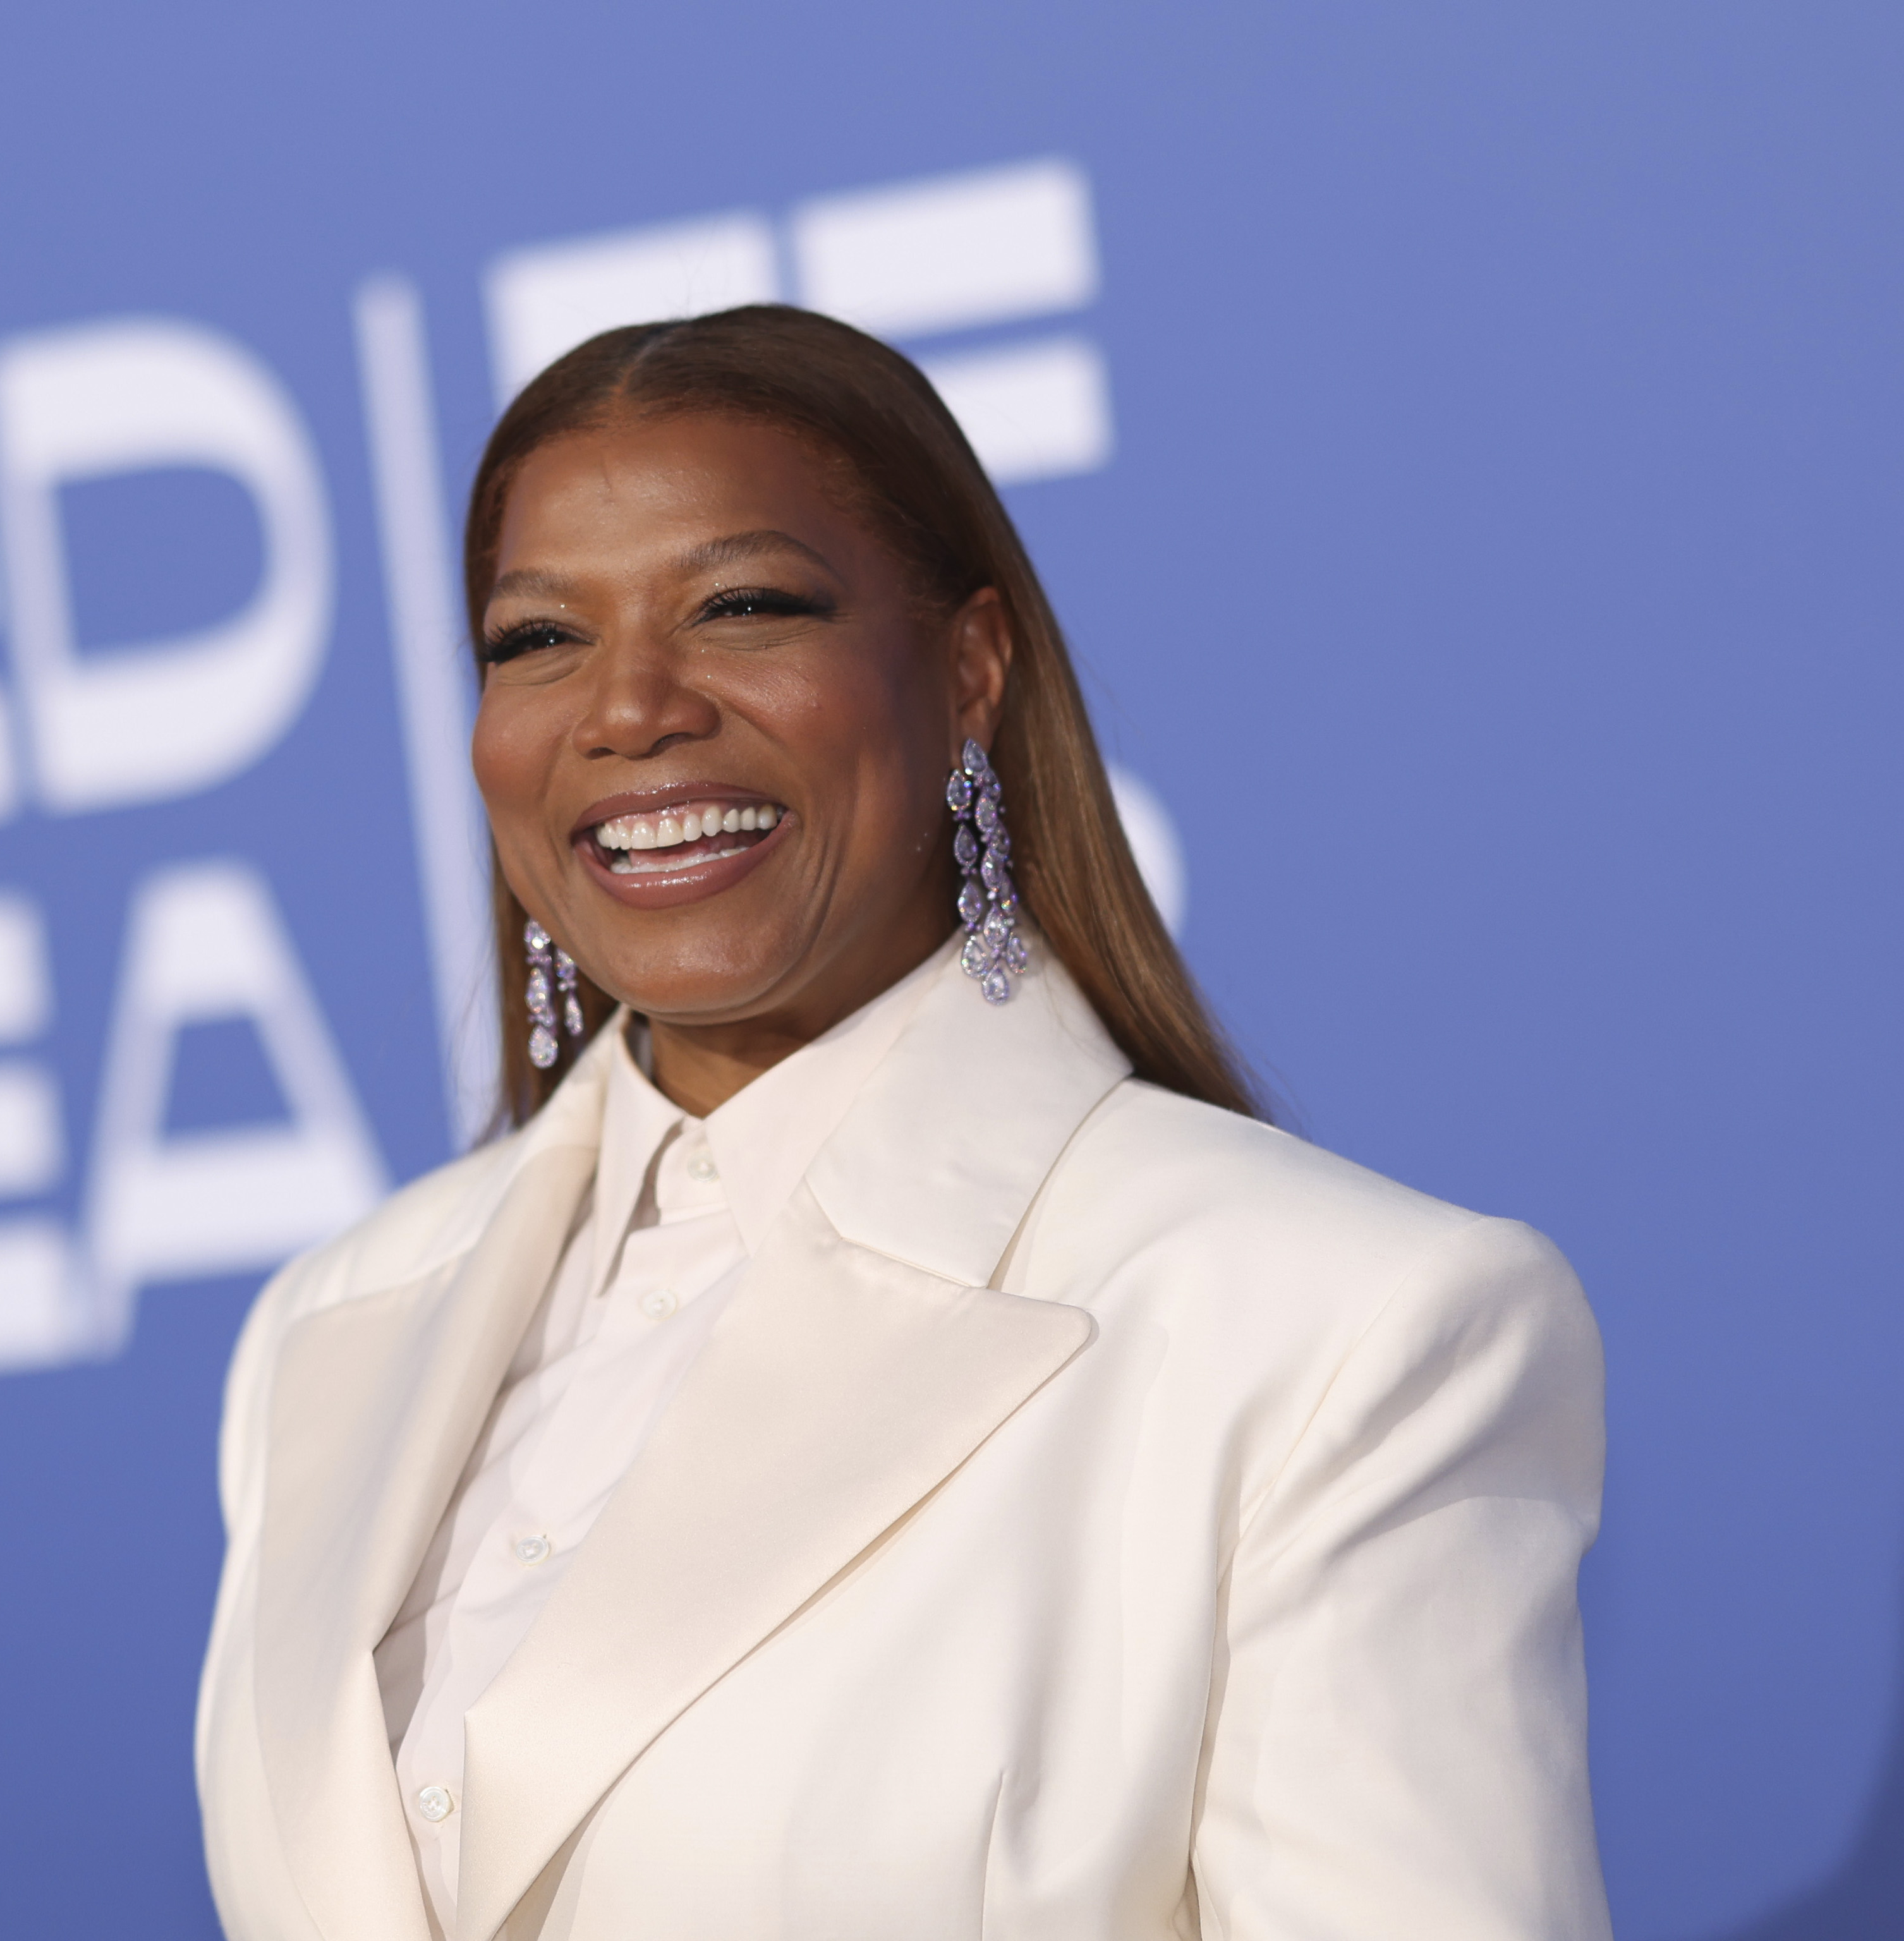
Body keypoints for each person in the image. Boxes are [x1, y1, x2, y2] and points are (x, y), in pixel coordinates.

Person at [194, 305, 1610, 1940]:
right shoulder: (329, 1332)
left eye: (739, 607)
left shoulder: (1334, 1331)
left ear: (965, 672)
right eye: (534, 641)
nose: (628, 708)